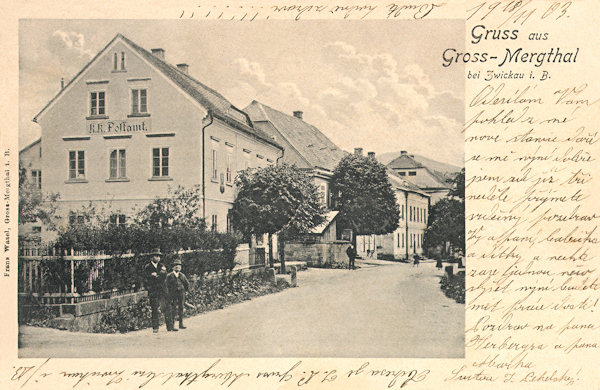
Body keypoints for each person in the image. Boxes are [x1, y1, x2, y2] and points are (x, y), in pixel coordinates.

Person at [143, 249, 168, 333]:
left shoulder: (162, 266)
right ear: (151, 258)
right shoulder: (148, 267)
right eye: (156, 256)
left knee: (165, 306)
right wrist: (152, 278)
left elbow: (164, 276)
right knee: (154, 308)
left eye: (159, 256)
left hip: (162, 289)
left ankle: (169, 325)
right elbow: (146, 278)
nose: (158, 258)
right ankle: (155, 327)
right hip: (153, 290)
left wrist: (156, 276)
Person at [165, 258, 190, 332]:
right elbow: (166, 285)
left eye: (179, 266)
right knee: (173, 309)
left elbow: (187, 284)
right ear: (173, 267)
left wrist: (186, 291)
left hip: (181, 293)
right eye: (176, 266)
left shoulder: (182, 275)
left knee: (181, 308)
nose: (177, 267)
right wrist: (168, 294)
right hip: (172, 294)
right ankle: (172, 325)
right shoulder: (169, 276)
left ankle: (181, 324)